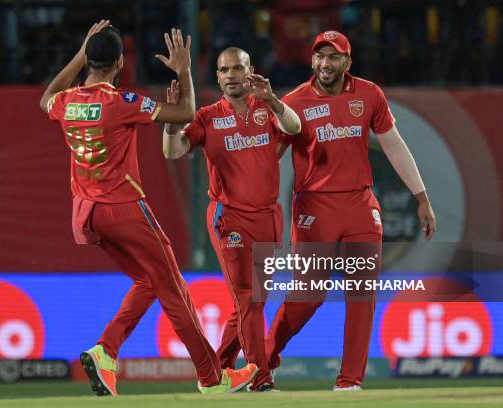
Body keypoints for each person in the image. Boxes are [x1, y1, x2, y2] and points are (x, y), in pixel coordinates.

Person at [39, 20, 257, 396]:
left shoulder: (67, 103)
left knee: (149, 281)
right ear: (121, 62)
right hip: (124, 210)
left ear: (88, 59)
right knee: (174, 290)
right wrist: (185, 69)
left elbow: (46, 98)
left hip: (86, 214)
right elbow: (186, 112)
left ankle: (106, 352)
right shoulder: (121, 103)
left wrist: (79, 54)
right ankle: (212, 377)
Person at [266, 30, 436, 391]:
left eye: (333, 57)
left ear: (347, 62)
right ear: (312, 61)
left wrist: (421, 197)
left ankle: (349, 382)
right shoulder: (293, 102)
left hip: (360, 205)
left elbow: (393, 146)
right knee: (309, 295)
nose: (325, 64)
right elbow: (268, 159)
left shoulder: (369, 93)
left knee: (362, 292)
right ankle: (266, 358)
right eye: (319, 57)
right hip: (314, 208)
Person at [162, 47, 302, 392]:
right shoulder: (208, 116)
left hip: (269, 216)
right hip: (230, 217)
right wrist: (171, 121)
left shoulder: (266, 109)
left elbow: (295, 127)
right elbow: (173, 150)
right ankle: (261, 378)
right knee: (248, 298)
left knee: (253, 301)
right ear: (218, 77)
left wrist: (274, 101)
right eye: (223, 70)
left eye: (236, 68)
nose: (230, 76)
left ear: (249, 70)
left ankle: (218, 371)